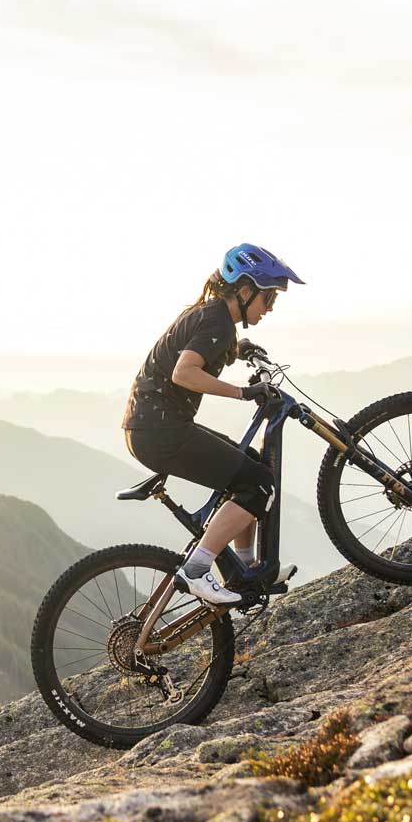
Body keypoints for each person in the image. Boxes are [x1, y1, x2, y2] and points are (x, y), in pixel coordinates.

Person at [121, 243, 303, 606]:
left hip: (150, 428)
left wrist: (242, 349)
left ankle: (246, 571)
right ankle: (196, 569)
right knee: (259, 483)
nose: (270, 308)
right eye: (268, 298)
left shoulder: (211, 316)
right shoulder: (216, 320)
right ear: (245, 289)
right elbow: (184, 371)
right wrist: (243, 392)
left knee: (252, 465)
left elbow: (203, 348)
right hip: (161, 433)